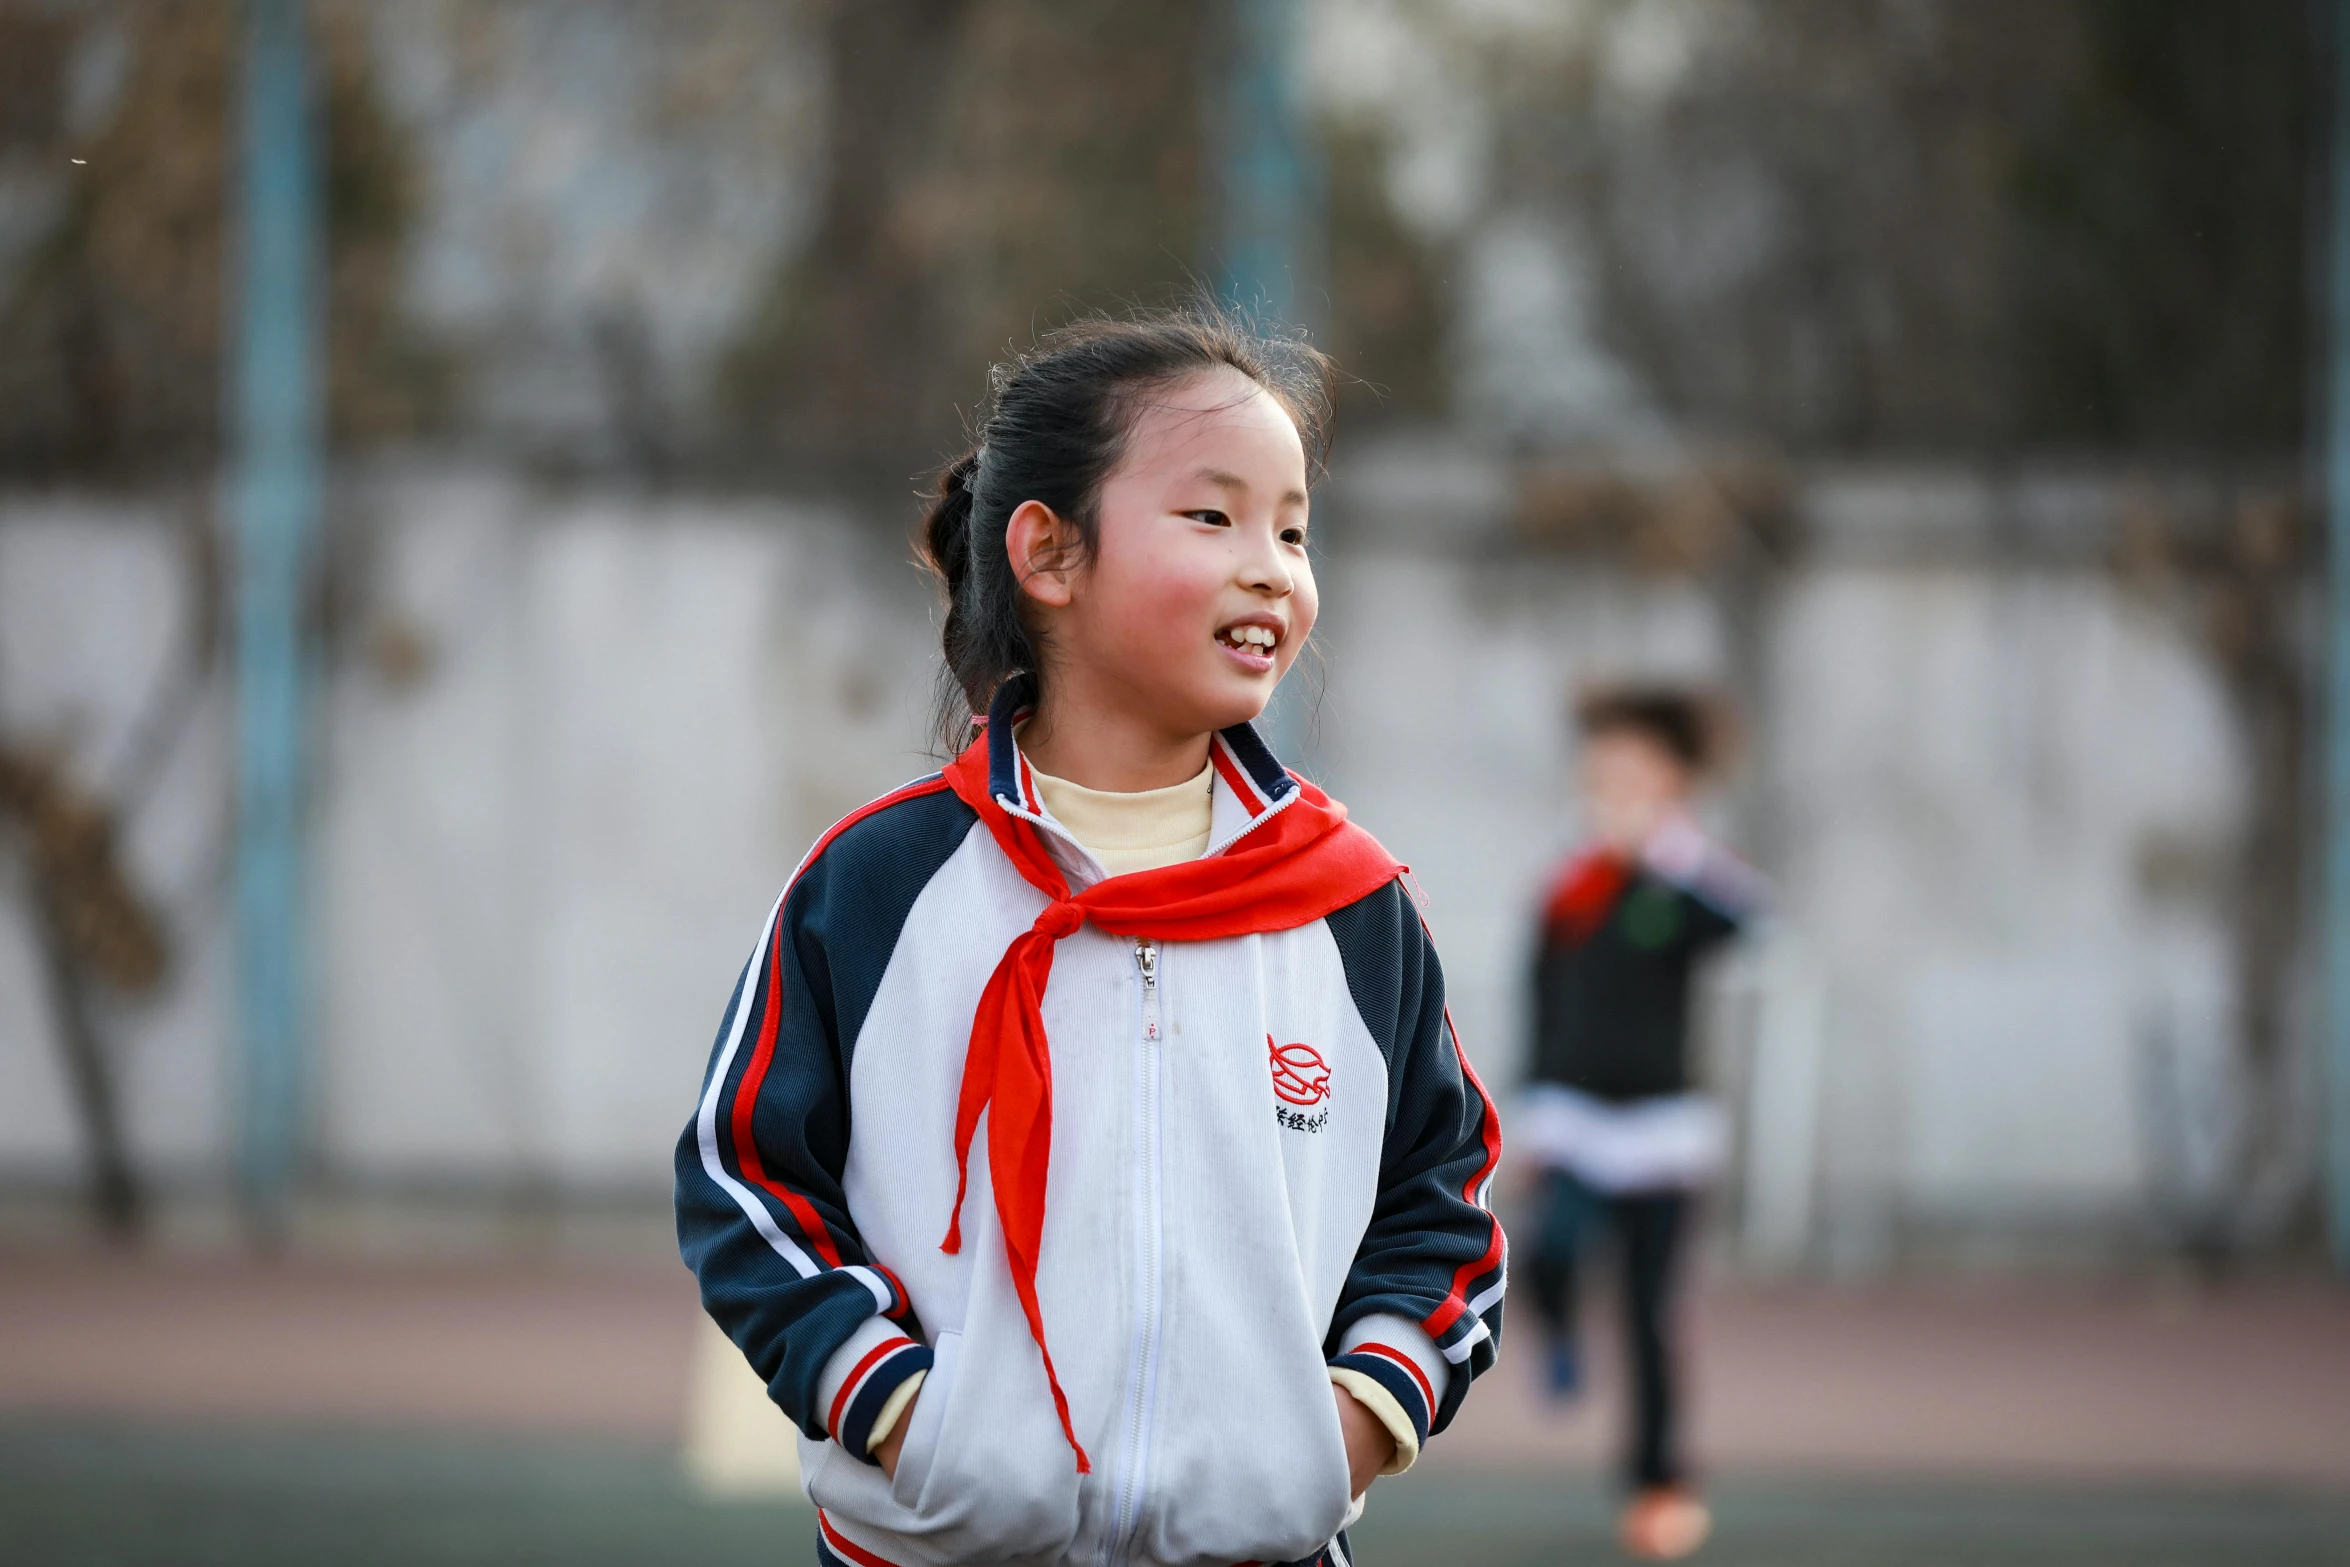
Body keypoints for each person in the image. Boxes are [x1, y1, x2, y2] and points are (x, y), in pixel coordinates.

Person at [675, 306, 1504, 1567]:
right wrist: (908, 1418)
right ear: (1049, 557)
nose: (1271, 566)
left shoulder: (1350, 901)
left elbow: (1442, 1206)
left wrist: (1336, 1433)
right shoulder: (878, 883)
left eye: (1293, 528)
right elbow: (746, 1179)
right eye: (1213, 517)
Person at [1517, 687, 1762, 1562]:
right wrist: (1535, 1103)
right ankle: (1558, 1339)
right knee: (1546, 1252)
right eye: (1602, 767)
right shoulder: (1569, 878)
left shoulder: (1687, 872)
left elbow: (1741, 922)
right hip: (1578, 1122)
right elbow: (1541, 997)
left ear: (1671, 778)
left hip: (1663, 1132)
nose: (1609, 783)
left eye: (1631, 768)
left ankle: (1660, 1485)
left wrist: (1661, 855)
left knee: (1653, 1318)